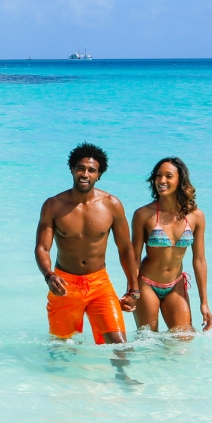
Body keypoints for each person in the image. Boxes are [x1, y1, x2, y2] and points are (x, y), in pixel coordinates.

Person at [35, 143, 139, 344]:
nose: (85, 174)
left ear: (99, 174)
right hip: (64, 284)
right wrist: (49, 275)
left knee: (120, 346)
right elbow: (42, 247)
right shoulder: (53, 205)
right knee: (61, 347)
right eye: (80, 168)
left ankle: (123, 377)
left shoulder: (112, 205)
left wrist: (133, 290)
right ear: (72, 170)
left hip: (99, 284)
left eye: (91, 170)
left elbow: (125, 249)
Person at [132, 157, 212, 333]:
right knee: (147, 341)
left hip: (176, 284)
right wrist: (132, 290)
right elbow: (134, 257)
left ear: (180, 180)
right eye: (158, 176)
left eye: (168, 176)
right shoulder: (143, 214)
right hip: (146, 284)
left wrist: (204, 303)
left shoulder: (196, 216)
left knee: (184, 339)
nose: (162, 180)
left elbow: (199, 260)